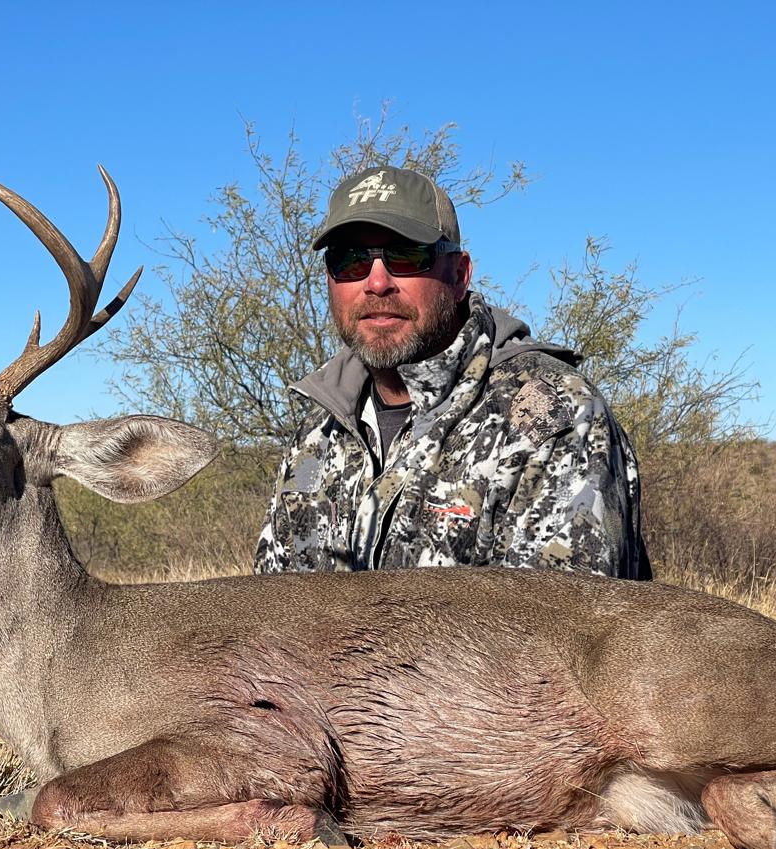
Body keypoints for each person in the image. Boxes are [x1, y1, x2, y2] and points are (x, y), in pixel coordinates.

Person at [254, 165, 651, 579]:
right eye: (350, 260)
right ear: (329, 280)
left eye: (406, 255)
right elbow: (270, 604)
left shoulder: (553, 415)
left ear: (459, 275)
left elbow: (562, 617)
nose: (376, 283)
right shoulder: (316, 432)